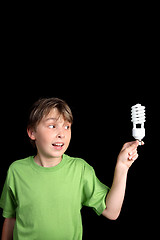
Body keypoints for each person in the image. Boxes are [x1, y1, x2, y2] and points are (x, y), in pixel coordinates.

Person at [0, 97, 142, 240]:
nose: (61, 134)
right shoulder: (16, 171)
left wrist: (122, 167)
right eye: (52, 126)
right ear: (32, 132)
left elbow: (111, 212)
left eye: (67, 126)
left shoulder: (79, 169)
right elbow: (11, 218)